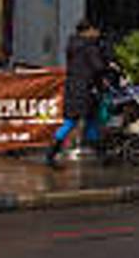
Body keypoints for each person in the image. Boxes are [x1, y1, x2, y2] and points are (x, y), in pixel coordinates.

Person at [47, 18, 116, 167]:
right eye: (96, 30)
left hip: (73, 87)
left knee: (85, 120)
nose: (97, 33)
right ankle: (51, 154)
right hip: (86, 88)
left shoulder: (72, 44)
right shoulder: (89, 46)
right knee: (77, 121)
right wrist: (109, 65)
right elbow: (98, 67)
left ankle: (102, 154)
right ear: (89, 30)